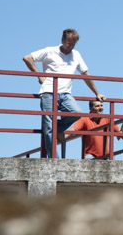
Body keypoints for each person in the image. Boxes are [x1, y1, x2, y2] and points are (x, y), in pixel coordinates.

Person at [23, 28, 105, 158]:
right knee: (48, 127)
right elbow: (27, 58)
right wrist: (39, 75)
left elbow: (85, 74)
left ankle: (58, 128)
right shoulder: (50, 51)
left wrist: (97, 92)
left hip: (65, 93)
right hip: (49, 91)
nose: (70, 46)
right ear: (62, 40)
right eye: (68, 43)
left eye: (73, 44)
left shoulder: (76, 55)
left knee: (78, 113)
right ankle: (53, 157)